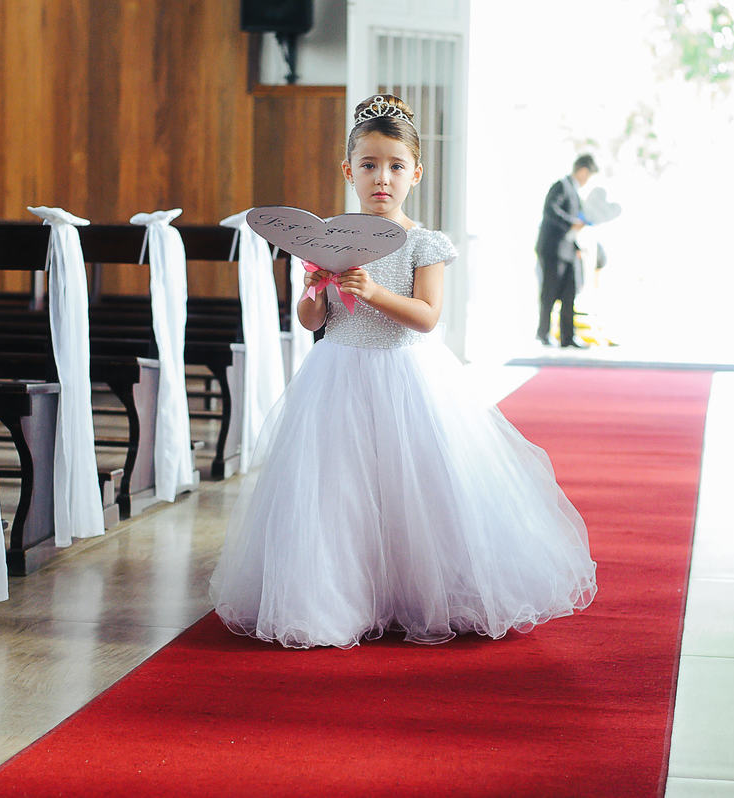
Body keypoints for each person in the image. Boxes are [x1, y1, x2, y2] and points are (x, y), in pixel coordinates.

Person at [209, 94, 597, 649]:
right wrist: (313, 293)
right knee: (337, 489)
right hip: (338, 372)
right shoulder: (333, 240)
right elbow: (314, 318)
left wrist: (375, 291)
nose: (381, 178)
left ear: (415, 172)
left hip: (407, 378)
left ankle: (421, 591)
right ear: (349, 172)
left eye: (394, 166)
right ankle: (336, 598)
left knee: (415, 488)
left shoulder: (423, 242)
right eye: (368, 166)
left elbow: (427, 317)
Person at [535, 154, 597, 348]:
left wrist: (577, 246)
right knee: (550, 293)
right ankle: (543, 333)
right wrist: (572, 223)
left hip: (568, 251)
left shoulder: (575, 192)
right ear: (582, 170)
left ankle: (567, 337)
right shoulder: (561, 186)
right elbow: (551, 210)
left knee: (570, 292)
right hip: (553, 250)